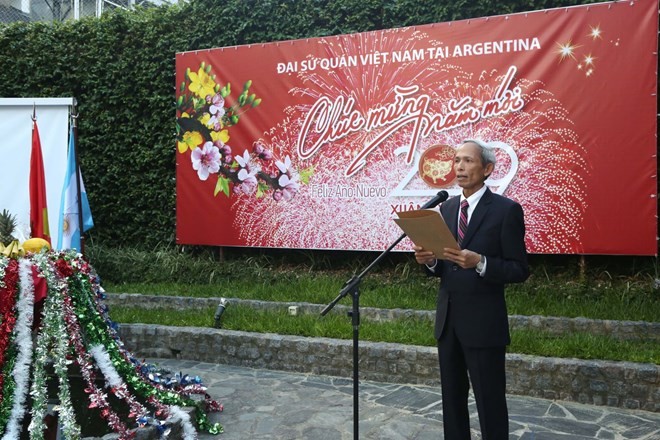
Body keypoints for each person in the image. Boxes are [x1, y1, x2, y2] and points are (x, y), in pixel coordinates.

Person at [414, 139, 529, 440]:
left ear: (487, 169)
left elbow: (519, 269)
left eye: (468, 161)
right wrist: (429, 262)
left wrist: (481, 263)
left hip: (484, 324)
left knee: (489, 403)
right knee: (452, 402)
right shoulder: (448, 207)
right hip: (448, 321)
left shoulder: (506, 211)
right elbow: (445, 266)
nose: (460, 167)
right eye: (456, 161)